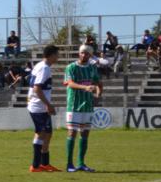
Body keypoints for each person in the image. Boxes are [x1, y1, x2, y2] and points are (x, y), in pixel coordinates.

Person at [64, 44, 103, 173]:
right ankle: (69, 164)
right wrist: (85, 87)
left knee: (85, 133)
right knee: (72, 133)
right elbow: (70, 83)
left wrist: (98, 94)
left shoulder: (92, 68)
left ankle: (81, 163)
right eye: (82, 52)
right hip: (74, 105)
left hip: (87, 105)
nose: (84, 55)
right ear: (79, 53)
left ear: (90, 55)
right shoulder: (71, 67)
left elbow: (98, 82)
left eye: (86, 53)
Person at [26, 45, 60, 173]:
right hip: (38, 107)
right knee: (41, 133)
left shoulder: (41, 66)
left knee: (48, 133)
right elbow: (37, 88)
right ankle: (35, 165)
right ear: (52, 55)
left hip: (40, 106)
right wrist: (48, 105)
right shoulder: (44, 68)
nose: (58, 57)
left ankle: (45, 163)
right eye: (57, 54)